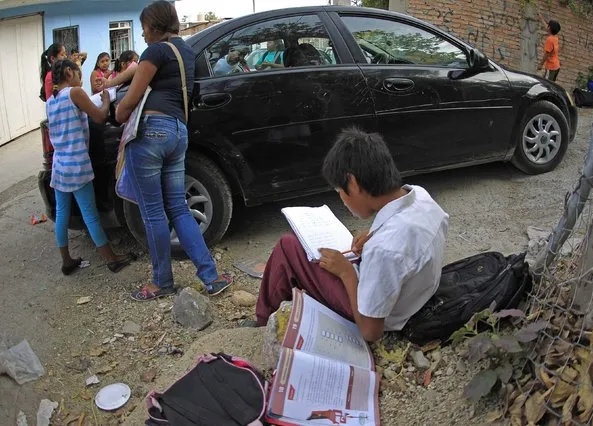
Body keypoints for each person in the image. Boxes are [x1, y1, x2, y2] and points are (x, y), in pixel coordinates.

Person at [244, 128, 449, 342]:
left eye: (338, 191)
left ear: (352, 183)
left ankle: (263, 322)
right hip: (415, 297)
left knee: (289, 247)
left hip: (382, 318)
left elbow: (370, 332)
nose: (341, 198)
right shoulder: (421, 197)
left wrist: (346, 274)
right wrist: (373, 236)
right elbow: (407, 242)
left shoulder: (385, 249)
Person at [115, 0, 232, 301]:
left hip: (152, 132)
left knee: (153, 212)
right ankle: (212, 277)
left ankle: (161, 282)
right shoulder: (187, 52)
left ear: (155, 27)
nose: (142, 36)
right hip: (178, 132)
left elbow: (133, 96)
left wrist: (118, 113)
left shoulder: (154, 51)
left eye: (143, 29)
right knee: (178, 208)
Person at [46, 60, 133, 275]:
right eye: (78, 74)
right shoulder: (75, 93)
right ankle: (111, 259)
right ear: (69, 72)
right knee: (90, 214)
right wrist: (105, 100)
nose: (81, 79)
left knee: (62, 212)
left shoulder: (50, 101)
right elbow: (100, 117)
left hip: (60, 166)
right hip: (77, 165)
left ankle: (66, 260)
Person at [537, 13, 561, 82]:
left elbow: (547, 54)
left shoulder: (550, 40)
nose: (547, 26)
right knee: (551, 85)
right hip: (556, 66)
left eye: (548, 25)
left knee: (547, 85)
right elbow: (547, 28)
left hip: (551, 68)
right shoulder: (555, 37)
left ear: (549, 28)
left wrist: (540, 64)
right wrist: (541, 19)